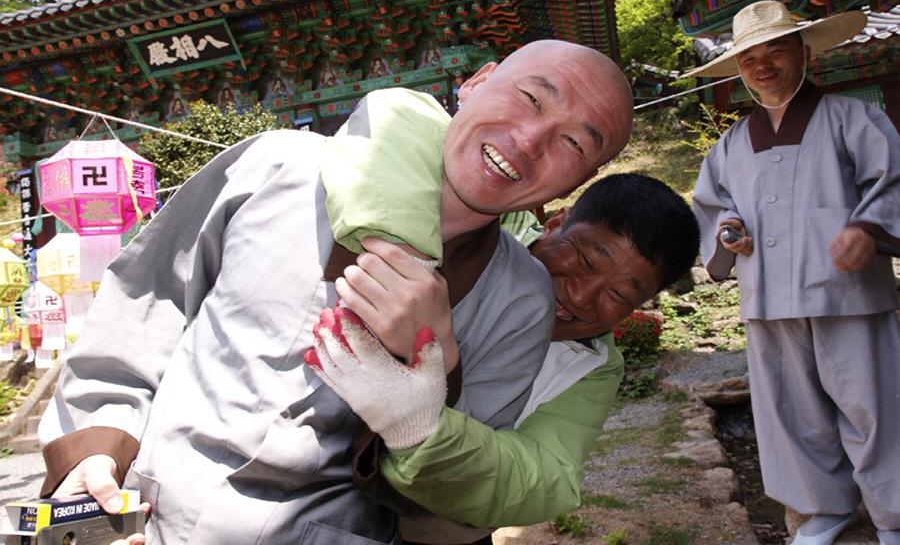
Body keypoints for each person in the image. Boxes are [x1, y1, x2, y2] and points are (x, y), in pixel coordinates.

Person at [37, 40, 634, 545]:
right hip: (141, 511)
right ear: (475, 83)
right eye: (530, 98)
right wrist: (93, 455)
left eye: (576, 144)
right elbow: (148, 305)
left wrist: (432, 377)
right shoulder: (278, 166)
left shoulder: (521, 300)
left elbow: (452, 506)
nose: (530, 140)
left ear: (582, 181)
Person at [308, 173, 700, 544]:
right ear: (555, 222)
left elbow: (547, 477)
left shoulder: (594, 366)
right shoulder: (469, 244)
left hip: (436, 533)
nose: (582, 297)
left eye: (619, 296)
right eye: (584, 260)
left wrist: (420, 429)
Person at [685, 0, 900, 545]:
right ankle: (821, 509)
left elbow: (892, 182)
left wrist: (868, 229)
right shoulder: (730, 145)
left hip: (847, 291)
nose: (762, 64)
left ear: (803, 52)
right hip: (768, 295)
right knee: (788, 412)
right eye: (748, 57)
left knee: (875, 408)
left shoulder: (854, 118)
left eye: (775, 49)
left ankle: (894, 515)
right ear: (737, 70)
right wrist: (729, 230)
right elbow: (714, 208)